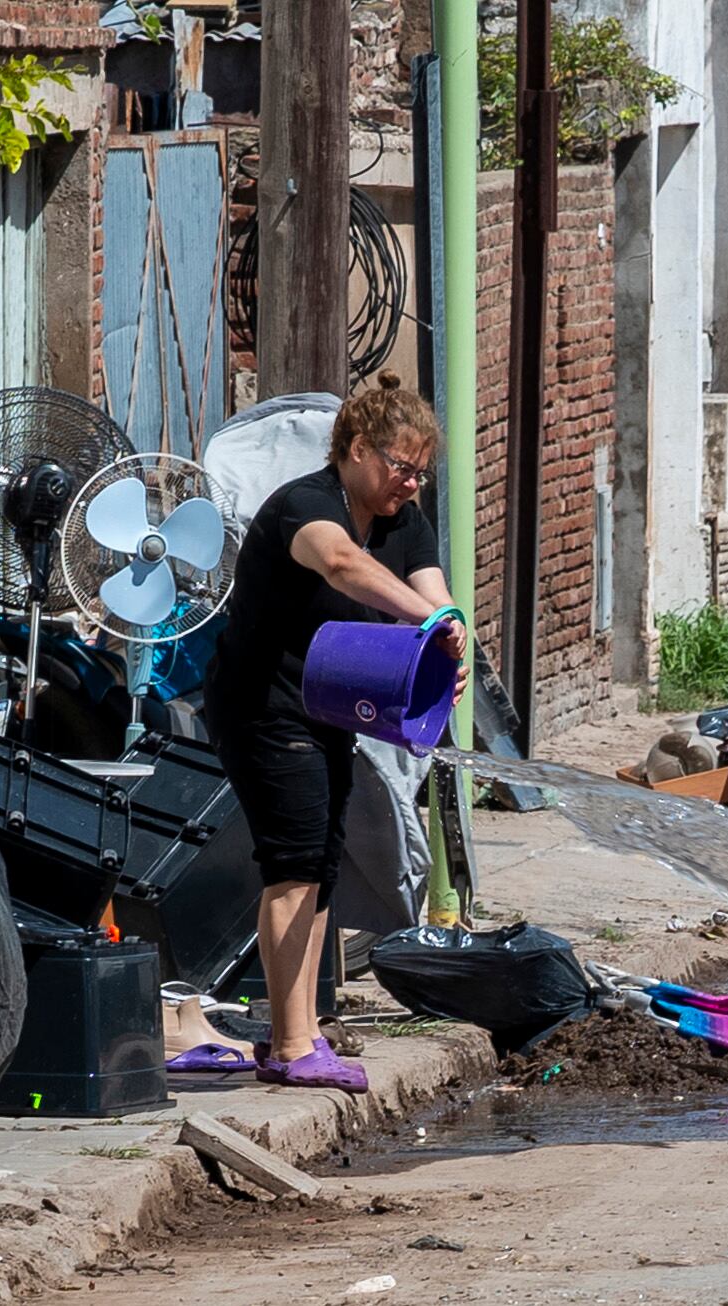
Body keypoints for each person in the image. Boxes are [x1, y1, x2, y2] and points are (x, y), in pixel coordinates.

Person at [205, 373, 467, 1093]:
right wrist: (425, 618)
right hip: (259, 705)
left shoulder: (399, 516)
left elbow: (432, 586)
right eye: (398, 467)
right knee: (291, 863)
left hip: (325, 705)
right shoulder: (305, 506)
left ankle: (301, 1032)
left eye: (420, 472)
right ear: (355, 449)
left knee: (319, 860)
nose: (410, 484)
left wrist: (449, 635)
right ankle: (290, 1043)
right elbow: (345, 566)